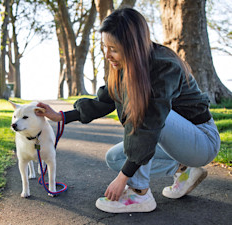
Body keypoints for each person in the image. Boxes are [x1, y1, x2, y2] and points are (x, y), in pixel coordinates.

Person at [35, 7, 220, 213]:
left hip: (202, 141)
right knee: (115, 158)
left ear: (133, 46)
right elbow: (103, 101)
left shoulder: (164, 68)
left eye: (113, 49)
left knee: (143, 115)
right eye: (105, 47)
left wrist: (124, 179)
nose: (107, 55)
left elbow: (148, 125)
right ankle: (183, 169)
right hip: (176, 141)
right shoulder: (124, 67)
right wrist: (61, 116)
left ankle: (140, 195)